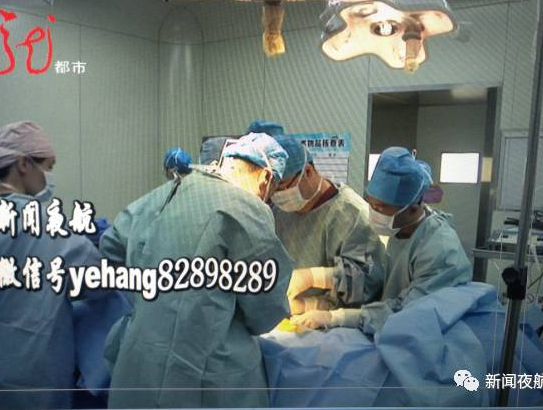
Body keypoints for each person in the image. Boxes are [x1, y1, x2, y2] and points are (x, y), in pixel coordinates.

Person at [100, 132, 293, 408]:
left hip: (140, 361)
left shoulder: (162, 194)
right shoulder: (246, 208)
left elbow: (111, 247)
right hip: (205, 372)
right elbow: (266, 308)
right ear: (266, 178)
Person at [0, 120, 102, 410]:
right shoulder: (52, 227)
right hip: (41, 381)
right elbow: (99, 282)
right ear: (24, 164)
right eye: (49, 166)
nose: (50, 177)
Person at [290, 147, 472, 335]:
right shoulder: (400, 231)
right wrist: (312, 283)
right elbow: (373, 277)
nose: (373, 213)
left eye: (380, 208)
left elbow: (409, 314)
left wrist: (337, 318)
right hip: (394, 329)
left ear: (412, 208)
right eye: (370, 203)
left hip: (431, 337)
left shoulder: (439, 249)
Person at [247, 120, 385, 314]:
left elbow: (368, 283)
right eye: (271, 190)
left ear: (308, 171)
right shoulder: (279, 211)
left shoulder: (351, 214)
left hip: (333, 325)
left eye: (282, 186)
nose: (276, 195)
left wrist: (311, 292)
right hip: (285, 317)